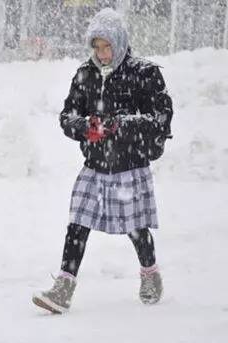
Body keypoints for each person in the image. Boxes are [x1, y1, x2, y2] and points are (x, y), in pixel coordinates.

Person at [32, 8, 173, 314]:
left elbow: (160, 119)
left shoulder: (145, 74)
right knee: (77, 224)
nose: (102, 53)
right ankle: (63, 288)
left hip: (130, 165)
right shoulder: (85, 74)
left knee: (135, 228)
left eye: (107, 46)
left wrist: (120, 125)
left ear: (120, 43)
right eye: (97, 47)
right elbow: (67, 115)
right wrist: (86, 127)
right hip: (95, 166)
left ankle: (150, 274)